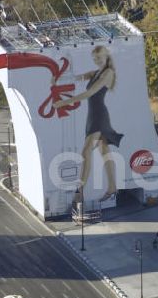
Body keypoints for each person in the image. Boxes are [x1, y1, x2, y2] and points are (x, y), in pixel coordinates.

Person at [52, 45, 123, 203]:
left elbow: (90, 93)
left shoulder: (108, 73)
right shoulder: (96, 72)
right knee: (104, 151)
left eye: (99, 58)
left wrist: (65, 103)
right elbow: (77, 78)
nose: (97, 61)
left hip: (99, 115)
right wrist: (57, 79)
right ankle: (112, 187)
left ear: (106, 57)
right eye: (95, 59)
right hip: (93, 115)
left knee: (86, 150)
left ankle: (80, 192)